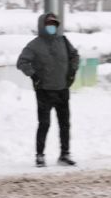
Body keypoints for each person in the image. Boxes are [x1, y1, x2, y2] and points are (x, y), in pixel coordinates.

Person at [17, 13, 79, 168]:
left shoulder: (63, 41)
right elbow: (22, 62)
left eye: (54, 24)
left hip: (62, 90)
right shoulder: (34, 45)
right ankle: (40, 155)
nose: (52, 27)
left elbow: (74, 56)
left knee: (65, 124)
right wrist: (34, 76)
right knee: (44, 124)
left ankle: (65, 154)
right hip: (44, 91)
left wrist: (72, 71)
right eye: (49, 24)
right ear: (42, 26)